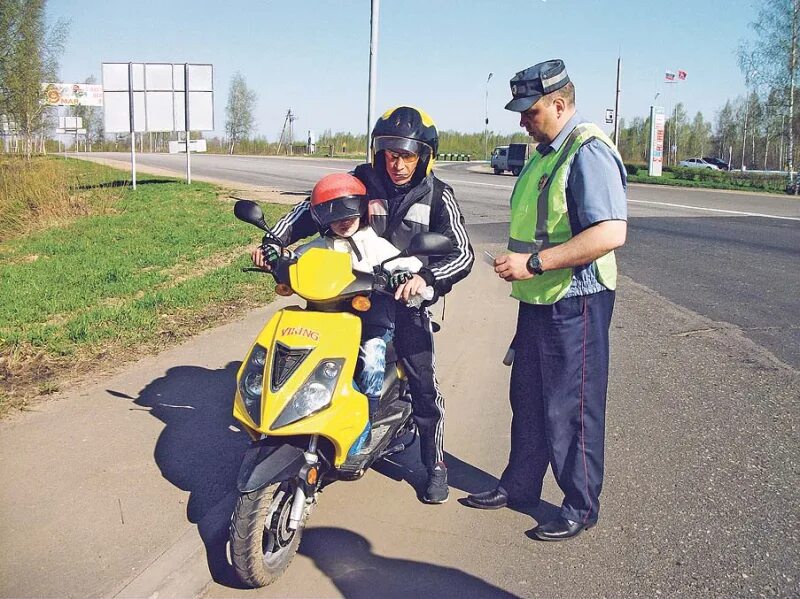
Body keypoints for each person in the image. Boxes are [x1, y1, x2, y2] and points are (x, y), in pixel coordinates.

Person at [263, 106, 474, 504]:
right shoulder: (361, 180)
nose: (397, 164)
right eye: (390, 154)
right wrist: (276, 242)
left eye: (408, 155)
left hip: (405, 304)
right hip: (345, 298)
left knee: (424, 384)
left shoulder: (438, 196)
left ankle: (435, 464)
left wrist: (425, 279)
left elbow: (463, 253)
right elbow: (312, 209)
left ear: (424, 156)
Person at [464, 60, 627, 541]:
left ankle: (580, 505)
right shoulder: (543, 152)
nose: (522, 121)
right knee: (529, 398)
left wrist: (533, 263)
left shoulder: (587, 151)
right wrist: (525, 265)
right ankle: (519, 486)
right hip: (539, 299)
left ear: (560, 105)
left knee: (570, 407)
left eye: (530, 112)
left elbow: (611, 231)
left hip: (575, 301)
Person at [252, 172, 423, 452]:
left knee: (371, 359)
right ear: (320, 217)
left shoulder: (375, 244)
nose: (343, 220)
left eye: (349, 212)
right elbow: (295, 260)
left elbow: (401, 263)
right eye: (333, 214)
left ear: (362, 209)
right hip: (325, 322)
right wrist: (274, 258)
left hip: (371, 321)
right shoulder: (318, 247)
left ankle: (364, 421)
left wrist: (401, 275)